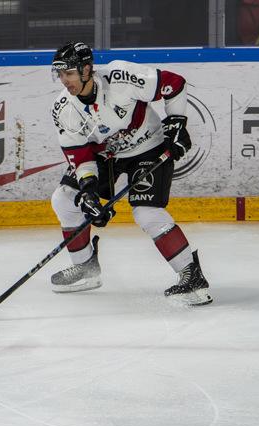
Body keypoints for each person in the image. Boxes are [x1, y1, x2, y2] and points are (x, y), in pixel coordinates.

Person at [48, 41, 212, 306]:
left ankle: (191, 276)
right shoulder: (63, 109)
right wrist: (89, 192)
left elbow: (174, 83)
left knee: (146, 212)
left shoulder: (121, 77)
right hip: (106, 156)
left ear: (87, 69)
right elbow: (80, 156)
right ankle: (85, 268)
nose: (64, 80)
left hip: (149, 147)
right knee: (66, 198)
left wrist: (177, 124)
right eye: (60, 74)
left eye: (68, 73)